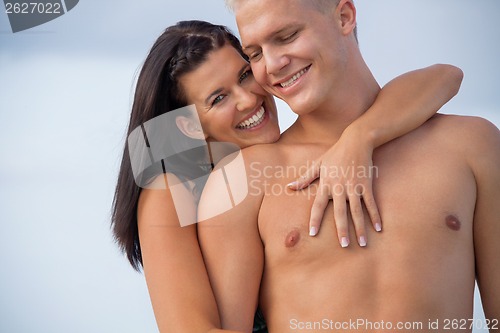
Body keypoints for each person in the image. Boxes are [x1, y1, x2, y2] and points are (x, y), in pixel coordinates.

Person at [111, 20, 464, 333]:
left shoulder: (270, 155)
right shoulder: (171, 188)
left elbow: (446, 76)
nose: (247, 100)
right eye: (219, 98)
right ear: (189, 127)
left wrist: (360, 138)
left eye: (245, 75)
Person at [198, 1, 500, 332]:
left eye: (286, 36)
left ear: (344, 17)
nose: (271, 65)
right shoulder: (240, 180)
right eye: (254, 54)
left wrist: (359, 138)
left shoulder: (472, 144)